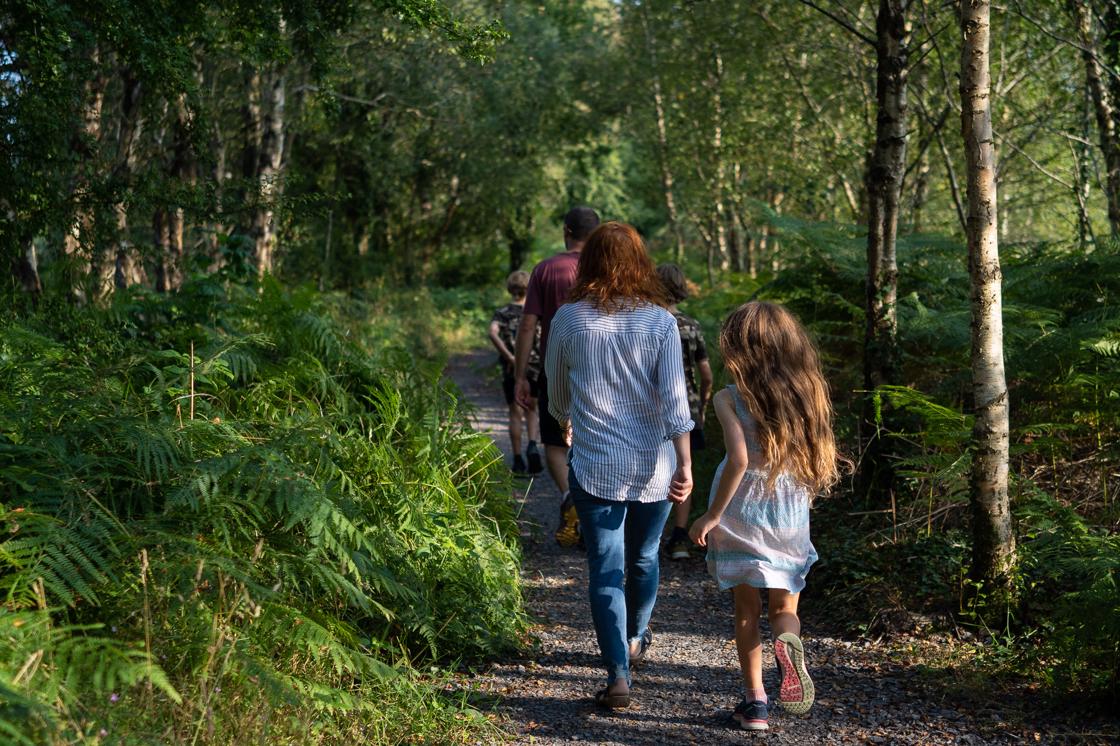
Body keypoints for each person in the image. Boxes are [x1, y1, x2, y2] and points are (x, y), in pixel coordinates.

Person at [545, 222, 694, 709]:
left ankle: (618, 676)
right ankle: (634, 638)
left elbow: (556, 392)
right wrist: (686, 464)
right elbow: (676, 402)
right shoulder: (660, 321)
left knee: (605, 570)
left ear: (588, 262)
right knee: (645, 558)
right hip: (654, 463)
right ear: (640, 263)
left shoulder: (569, 319)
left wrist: (566, 418)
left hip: (595, 464)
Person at [689, 301, 840, 732]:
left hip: (741, 511)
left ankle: (755, 703)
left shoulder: (729, 398)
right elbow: (815, 454)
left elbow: (737, 460)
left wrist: (712, 515)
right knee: (783, 605)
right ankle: (788, 644)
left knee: (745, 610)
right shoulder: (807, 391)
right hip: (789, 508)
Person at [514, 206, 600, 546]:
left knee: (553, 440)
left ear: (567, 231)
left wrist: (521, 374)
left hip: (555, 367)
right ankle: (594, 502)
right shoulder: (605, 270)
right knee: (595, 437)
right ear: (596, 233)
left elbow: (527, 324)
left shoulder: (546, 269)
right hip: (600, 370)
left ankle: (569, 493)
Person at [656, 263, 713, 560]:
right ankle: (679, 536)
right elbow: (706, 373)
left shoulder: (648, 322)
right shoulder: (690, 325)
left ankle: (648, 532)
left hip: (655, 409)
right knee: (683, 470)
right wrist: (702, 404)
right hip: (687, 407)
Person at [489, 270, 543, 475]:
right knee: (532, 410)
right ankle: (532, 446)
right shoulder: (535, 311)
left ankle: (518, 459)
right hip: (535, 366)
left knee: (514, 412)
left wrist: (509, 356)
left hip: (511, 368)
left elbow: (492, 332)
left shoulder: (502, 312)